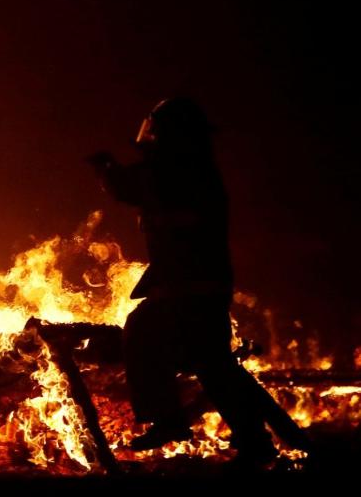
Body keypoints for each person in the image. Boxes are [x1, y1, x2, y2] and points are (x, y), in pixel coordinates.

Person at [91, 97, 305, 467]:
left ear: (171, 134)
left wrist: (105, 167)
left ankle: (170, 420)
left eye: (156, 131)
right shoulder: (195, 168)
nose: (150, 138)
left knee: (144, 332)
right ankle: (253, 442)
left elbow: (131, 186)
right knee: (213, 365)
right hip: (199, 284)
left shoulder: (177, 168)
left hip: (188, 286)